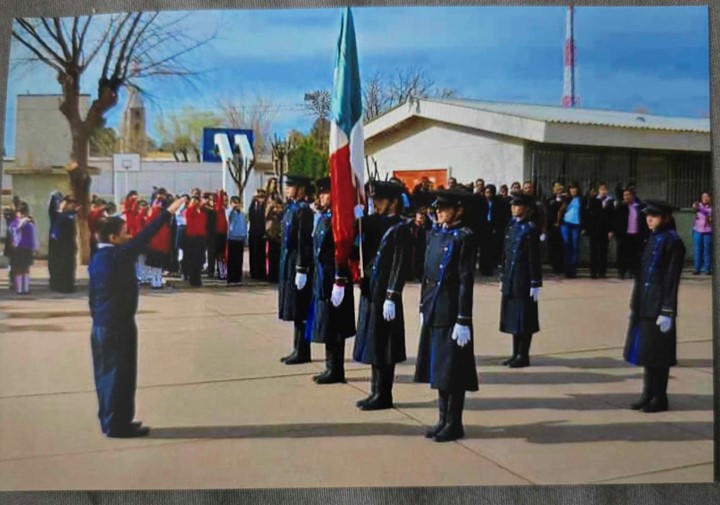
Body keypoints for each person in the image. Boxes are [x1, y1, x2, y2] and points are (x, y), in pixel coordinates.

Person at [89, 196, 187, 438]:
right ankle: (116, 424)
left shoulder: (98, 257)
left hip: (104, 324)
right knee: (117, 376)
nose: (129, 236)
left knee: (112, 375)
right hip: (116, 325)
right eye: (124, 233)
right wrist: (167, 213)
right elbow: (145, 235)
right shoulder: (115, 255)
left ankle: (115, 419)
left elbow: (92, 297)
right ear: (113, 239)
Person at [414, 188, 478, 442]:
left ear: (458, 210)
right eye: (437, 209)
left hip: (452, 311)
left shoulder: (463, 237)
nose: (438, 212)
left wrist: (464, 318)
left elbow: (465, 280)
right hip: (434, 308)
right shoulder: (436, 234)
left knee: (453, 370)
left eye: (444, 208)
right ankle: (442, 419)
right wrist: (423, 306)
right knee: (440, 368)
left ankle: (454, 422)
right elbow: (426, 275)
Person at [353, 181, 411, 411]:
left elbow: (400, 264)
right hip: (372, 290)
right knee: (373, 343)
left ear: (393, 202)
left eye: (380, 200)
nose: (374, 204)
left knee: (385, 345)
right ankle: (375, 390)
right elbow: (357, 245)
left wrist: (392, 294)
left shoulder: (401, 228)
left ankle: (384, 394)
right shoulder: (373, 223)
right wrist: (355, 220)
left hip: (386, 293)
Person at [624, 200, 685, 413]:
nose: (649, 219)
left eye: (654, 216)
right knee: (647, 353)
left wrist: (668, 310)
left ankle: (660, 398)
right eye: (648, 215)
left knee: (660, 355)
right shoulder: (651, 238)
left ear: (666, 218)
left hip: (659, 306)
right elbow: (641, 276)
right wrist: (634, 304)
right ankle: (647, 394)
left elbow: (671, 279)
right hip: (645, 304)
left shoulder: (673, 242)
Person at [308, 177, 356, 384]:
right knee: (327, 324)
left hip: (335, 278)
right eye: (320, 193)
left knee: (336, 326)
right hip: (322, 278)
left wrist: (340, 279)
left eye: (325, 193)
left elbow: (342, 250)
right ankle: (330, 367)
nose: (321, 197)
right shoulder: (324, 217)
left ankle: (337, 369)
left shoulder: (339, 220)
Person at [499, 193, 542, 368]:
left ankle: (523, 355)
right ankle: (515, 352)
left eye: (517, 205)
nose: (513, 208)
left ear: (526, 208)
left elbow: (534, 258)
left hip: (524, 278)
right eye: (512, 205)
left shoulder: (530, 229)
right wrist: (503, 275)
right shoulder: (511, 226)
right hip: (511, 276)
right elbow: (506, 254)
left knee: (524, 317)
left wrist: (535, 282)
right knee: (513, 317)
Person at [278, 175, 315, 366]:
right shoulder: (291, 209)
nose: (287, 190)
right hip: (288, 262)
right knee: (294, 308)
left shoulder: (304, 212)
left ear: (301, 189)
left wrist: (302, 267)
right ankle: (296, 347)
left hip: (297, 264)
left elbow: (304, 242)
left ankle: (303, 350)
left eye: (291, 186)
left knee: (300, 309)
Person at [613, 188, 647, 279]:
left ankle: (634, 272)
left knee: (635, 255)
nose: (627, 197)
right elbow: (616, 221)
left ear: (633, 196)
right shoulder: (620, 207)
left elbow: (643, 222)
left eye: (628, 195)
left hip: (636, 234)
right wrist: (617, 234)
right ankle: (621, 272)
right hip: (624, 235)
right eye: (625, 195)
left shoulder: (639, 207)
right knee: (622, 254)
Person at [49, 197, 80, 293]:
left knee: (70, 266)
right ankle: (63, 286)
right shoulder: (60, 216)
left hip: (69, 245)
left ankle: (68, 285)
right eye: (70, 204)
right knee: (63, 266)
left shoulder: (68, 215)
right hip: (61, 246)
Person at [478, 184, 510, 277]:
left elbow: (501, 216)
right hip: (483, 227)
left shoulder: (498, 202)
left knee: (492, 249)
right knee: (483, 249)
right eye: (486, 192)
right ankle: (483, 268)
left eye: (490, 193)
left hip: (494, 227)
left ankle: (490, 268)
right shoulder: (481, 202)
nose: (488, 195)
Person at [8, 202, 38, 295]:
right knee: (18, 268)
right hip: (18, 247)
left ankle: (26, 288)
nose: (22, 214)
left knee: (26, 267)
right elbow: (14, 231)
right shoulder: (14, 223)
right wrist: (22, 223)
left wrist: (35, 247)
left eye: (24, 212)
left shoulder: (30, 223)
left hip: (27, 247)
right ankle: (19, 289)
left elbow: (34, 234)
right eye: (20, 212)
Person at [586, 183, 615, 279]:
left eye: (605, 189)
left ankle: (602, 272)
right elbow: (589, 215)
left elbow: (612, 217)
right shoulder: (593, 200)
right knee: (593, 251)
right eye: (601, 189)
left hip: (605, 230)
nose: (603, 191)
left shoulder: (610, 201)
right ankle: (593, 272)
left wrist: (611, 230)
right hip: (594, 229)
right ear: (598, 190)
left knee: (603, 251)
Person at [144, 190, 172, 289]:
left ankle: (157, 282)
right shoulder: (156, 215)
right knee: (156, 266)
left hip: (160, 244)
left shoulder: (163, 220)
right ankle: (155, 282)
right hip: (156, 243)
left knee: (158, 266)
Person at [558, 181, 584, 278]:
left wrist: (584, 227)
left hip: (576, 224)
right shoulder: (565, 199)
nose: (573, 190)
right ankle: (567, 270)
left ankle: (573, 269)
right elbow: (559, 208)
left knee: (575, 247)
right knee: (567, 245)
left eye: (575, 188)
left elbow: (584, 213)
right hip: (565, 224)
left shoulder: (581, 199)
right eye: (571, 188)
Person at [184, 195, 207, 287]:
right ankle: (192, 279)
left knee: (199, 260)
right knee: (192, 259)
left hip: (200, 238)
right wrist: (196, 204)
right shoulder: (189, 212)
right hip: (192, 238)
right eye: (193, 201)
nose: (195, 203)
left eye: (196, 201)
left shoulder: (201, 213)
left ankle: (198, 279)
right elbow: (191, 211)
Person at [226, 196, 248, 285]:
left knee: (239, 260)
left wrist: (245, 238)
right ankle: (231, 279)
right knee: (232, 260)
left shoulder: (242, 214)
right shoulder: (229, 212)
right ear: (231, 203)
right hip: (232, 238)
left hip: (240, 239)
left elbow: (244, 226)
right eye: (234, 202)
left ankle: (238, 279)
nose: (236, 204)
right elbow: (228, 218)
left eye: (237, 202)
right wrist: (232, 209)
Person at [545, 182, 565, 274]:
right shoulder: (549, 200)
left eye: (560, 188)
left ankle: (562, 265)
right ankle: (554, 266)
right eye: (556, 188)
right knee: (553, 246)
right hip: (552, 226)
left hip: (563, 225)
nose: (558, 190)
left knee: (562, 246)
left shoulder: (565, 199)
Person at [248, 188, 268, 280]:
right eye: (258, 197)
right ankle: (253, 272)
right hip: (253, 232)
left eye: (261, 197)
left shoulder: (264, 207)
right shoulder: (252, 205)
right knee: (253, 252)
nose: (259, 199)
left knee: (261, 253)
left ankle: (261, 273)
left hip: (261, 233)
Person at [692, 192, 712, 275]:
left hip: (708, 231)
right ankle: (697, 269)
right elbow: (694, 209)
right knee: (697, 250)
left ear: (710, 198)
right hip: (697, 231)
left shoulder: (712, 208)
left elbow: (710, 216)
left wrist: (701, 210)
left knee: (707, 251)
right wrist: (694, 207)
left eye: (707, 196)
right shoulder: (698, 205)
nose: (705, 198)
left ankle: (707, 269)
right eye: (703, 196)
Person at [265, 195, 283, 283]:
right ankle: (271, 276)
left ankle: (277, 276)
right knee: (272, 258)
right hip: (271, 237)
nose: (278, 209)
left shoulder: (282, 215)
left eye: (279, 206)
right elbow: (265, 214)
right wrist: (271, 205)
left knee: (278, 258)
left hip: (279, 238)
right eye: (277, 206)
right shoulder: (270, 214)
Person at [214, 190, 229, 280]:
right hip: (219, 234)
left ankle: (224, 271)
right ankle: (221, 272)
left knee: (224, 255)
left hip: (225, 234)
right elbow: (219, 204)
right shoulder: (218, 209)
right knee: (220, 254)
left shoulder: (226, 210)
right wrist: (220, 194)